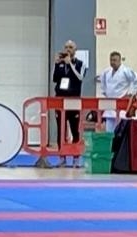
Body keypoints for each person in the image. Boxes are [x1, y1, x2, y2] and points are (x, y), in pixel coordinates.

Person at [50, 40, 86, 168]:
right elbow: (54, 79)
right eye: (66, 47)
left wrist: (69, 63)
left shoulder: (80, 64)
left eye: (70, 47)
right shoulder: (60, 63)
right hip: (60, 100)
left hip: (74, 100)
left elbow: (80, 78)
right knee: (61, 129)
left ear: (75, 50)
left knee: (75, 129)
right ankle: (62, 157)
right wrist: (56, 64)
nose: (68, 49)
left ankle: (76, 158)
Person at [98, 51, 137, 131]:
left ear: (120, 61)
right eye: (111, 60)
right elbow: (103, 85)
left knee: (119, 131)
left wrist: (131, 94)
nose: (112, 62)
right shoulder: (106, 72)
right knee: (109, 131)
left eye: (115, 60)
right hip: (109, 105)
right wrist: (106, 94)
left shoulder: (126, 71)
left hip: (122, 105)